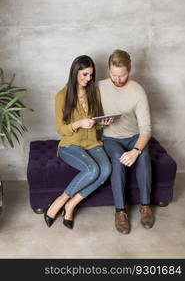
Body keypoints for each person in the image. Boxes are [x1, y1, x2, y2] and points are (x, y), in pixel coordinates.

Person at [44, 55, 111, 229]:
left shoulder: (93, 91)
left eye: (91, 75)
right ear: (75, 72)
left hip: (92, 143)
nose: (88, 79)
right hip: (70, 145)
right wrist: (78, 123)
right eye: (84, 74)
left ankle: (71, 205)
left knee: (106, 170)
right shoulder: (61, 96)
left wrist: (101, 123)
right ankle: (60, 201)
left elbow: (94, 125)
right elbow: (61, 129)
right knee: (93, 169)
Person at [98, 49, 154, 234]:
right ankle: (120, 211)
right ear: (109, 70)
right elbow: (89, 119)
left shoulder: (137, 90)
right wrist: (100, 123)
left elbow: (146, 129)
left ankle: (145, 206)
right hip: (110, 138)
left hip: (133, 137)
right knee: (117, 157)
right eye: (114, 75)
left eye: (122, 75)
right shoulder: (100, 87)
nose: (117, 79)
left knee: (144, 155)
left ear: (129, 70)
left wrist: (136, 150)